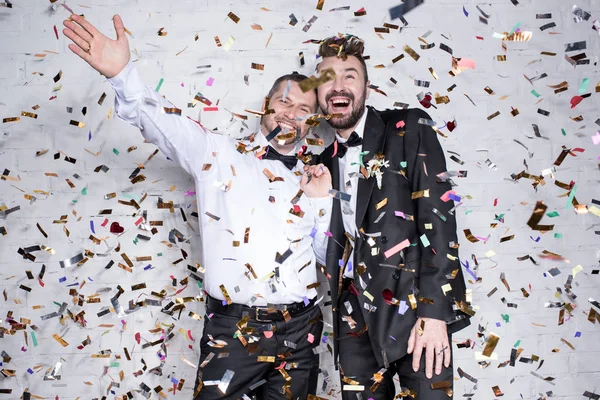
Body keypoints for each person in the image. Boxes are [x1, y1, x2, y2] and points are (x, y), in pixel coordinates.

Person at [62, 13, 334, 400]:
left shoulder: (318, 178)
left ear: (311, 123)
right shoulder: (217, 154)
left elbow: (333, 262)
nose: (290, 114)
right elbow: (159, 122)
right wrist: (123, 74)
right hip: (233, 330)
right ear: (265, 105)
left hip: (301, 334)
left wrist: (321, 202)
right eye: (283, 102)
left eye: (302, 110)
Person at [312, 35, 473, 399]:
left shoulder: (408, 127)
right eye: (327, 78)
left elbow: (439, 218)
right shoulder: (320, 166)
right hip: (352, 313)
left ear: (367, 87)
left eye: (349, 76)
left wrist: (434, 314)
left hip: (414, 306)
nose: (338, 86)